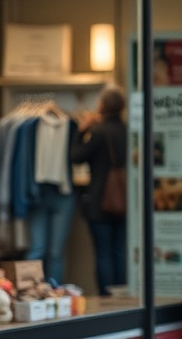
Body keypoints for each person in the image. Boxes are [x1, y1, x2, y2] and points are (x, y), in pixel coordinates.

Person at [71, 84, 128, 295]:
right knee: (120, 251)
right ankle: (122, 298)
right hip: (125, 200)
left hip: (99, 201)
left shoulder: (98, 132)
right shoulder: (128, 131)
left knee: (103, 253)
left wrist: (81, 130)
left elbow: (76, 156)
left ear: (102, 106)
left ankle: (106, 299)